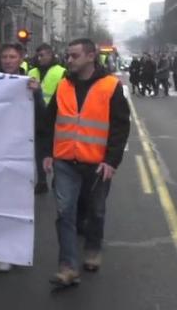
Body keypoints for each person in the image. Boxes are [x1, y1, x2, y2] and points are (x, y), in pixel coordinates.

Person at [43, 38, 130, 287]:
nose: (68, 60)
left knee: (96, 211)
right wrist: (48, 152)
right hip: (65, 160)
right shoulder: (63, 85)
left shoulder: (110, 86)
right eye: (68, 56)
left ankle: (92, 249)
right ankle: (68, 266)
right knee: (65, 213)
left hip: (97, 163)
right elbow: (50, 122)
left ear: (91, 57)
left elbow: (120, 127)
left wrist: (111, 161)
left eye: (74, 56)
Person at [0, 43, 46, 272]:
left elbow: (44, 117)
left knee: (19, 202)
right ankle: (1, 250)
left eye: (12, 57)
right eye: (4, 56)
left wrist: (37, 95)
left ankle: (15, 247)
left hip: (22, 151)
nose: (7, 60)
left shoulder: (29, 84)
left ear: (21, 58)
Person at [28, 44, 66, 194]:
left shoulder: (61, 72)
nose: (40, 58)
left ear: (51, 55)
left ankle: (58, 178)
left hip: (55, 116)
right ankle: (42, 180)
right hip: (36, 116)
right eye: (39, 55)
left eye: (43, 55)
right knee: (39, 151)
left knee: (55, 151)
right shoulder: (31, 72)